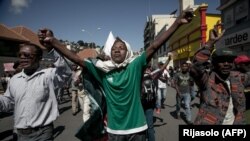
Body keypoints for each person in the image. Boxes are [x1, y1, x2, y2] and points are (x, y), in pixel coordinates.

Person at [38, 9, 193, 141]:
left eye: (121, 47)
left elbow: (154, 45)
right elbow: (76, 58)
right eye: (114, 48)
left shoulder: (135, 65)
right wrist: (53, 41)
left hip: (138, 129)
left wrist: (177, 23)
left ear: (128, 52)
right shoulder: (102, 70)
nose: (117, 50)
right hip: (113, 131)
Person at [0, 40, 72, 140]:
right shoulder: (14, 80)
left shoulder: (48, 75)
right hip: (20, 134)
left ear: (39, 58)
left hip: (42, 134)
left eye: (26, 55)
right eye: (20, 54)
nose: (22, 57)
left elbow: (66, 72)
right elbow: (9, 102)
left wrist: (51, 48)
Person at [190, 25, 250, 125]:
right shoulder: (207, 80)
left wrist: (245, 66)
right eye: (221, 60)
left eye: (229, 60)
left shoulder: (239, 77)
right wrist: (210, 43)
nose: (226, 63)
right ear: (214, 63)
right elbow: (196, 67)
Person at [141, 56, 171, 141]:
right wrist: (168, 60)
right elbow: (162, 68)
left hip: (141, 105)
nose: (148, 69)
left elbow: (162, 68)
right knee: (150, 126)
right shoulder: (152, 75)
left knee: (143, 126)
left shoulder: (138, 76)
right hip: (149, 104)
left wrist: (168, 60)